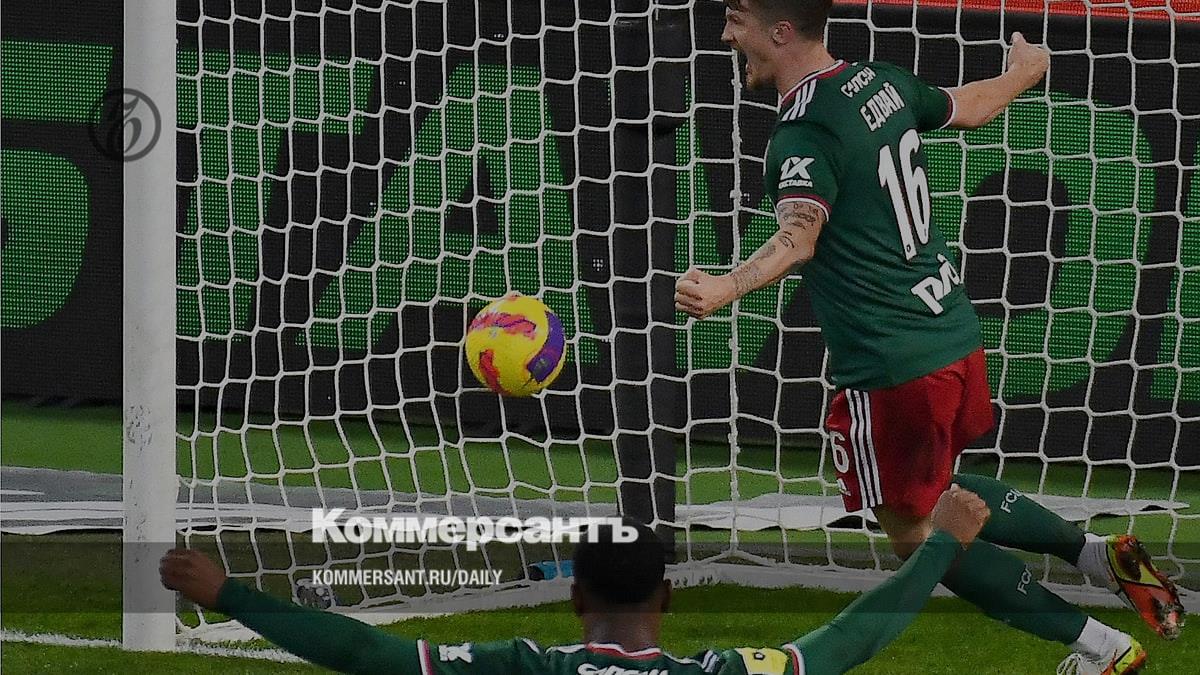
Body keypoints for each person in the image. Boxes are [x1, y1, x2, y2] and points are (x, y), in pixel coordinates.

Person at [673, 2, 1184, 673]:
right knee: (937, 485)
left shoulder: (803, 131)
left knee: (919, 534)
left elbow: (798, 236)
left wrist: (725, 286)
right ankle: (1094, 553)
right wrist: (1025, 72)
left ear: (781, 30)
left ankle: (1101, 647)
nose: (725, 34)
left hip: (892, 363)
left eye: (737, 19)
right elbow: (972, 107)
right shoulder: (879, 80)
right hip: (952, 331)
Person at [163, 487, 990, 674]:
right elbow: (847, 641)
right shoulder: (721, 673)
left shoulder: (521, 665)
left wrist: (230, 594)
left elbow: (365, 652)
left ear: (572, 594)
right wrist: (939, 546)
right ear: (668, 596)